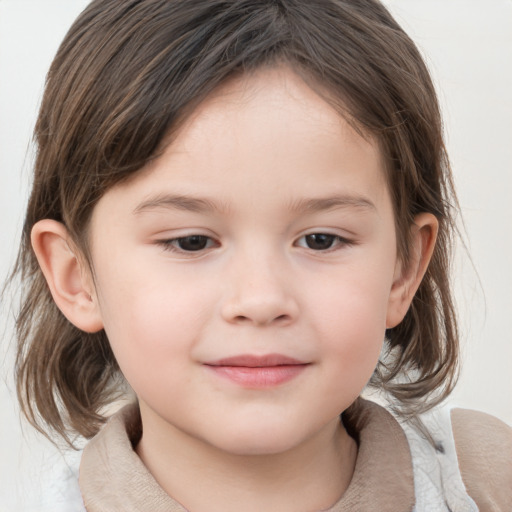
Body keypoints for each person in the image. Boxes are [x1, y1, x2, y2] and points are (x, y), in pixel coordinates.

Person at [9, 0, 511, 510]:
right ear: (77, 277)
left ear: (403, 269)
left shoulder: (482, 482)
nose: (261, 299)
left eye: (321, 240)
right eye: (191, 242)